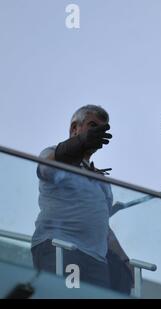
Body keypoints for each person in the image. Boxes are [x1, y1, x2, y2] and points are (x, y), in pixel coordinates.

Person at [31, 105, 133, 294]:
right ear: (74, 128)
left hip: (96, 260)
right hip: (60, 248)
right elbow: (45, 169)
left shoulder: (100, 180)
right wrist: (78, 144)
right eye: (92, 126)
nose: (97, 133)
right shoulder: (54, 154)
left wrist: (125, 261)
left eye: (101, 129)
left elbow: (103, 226)